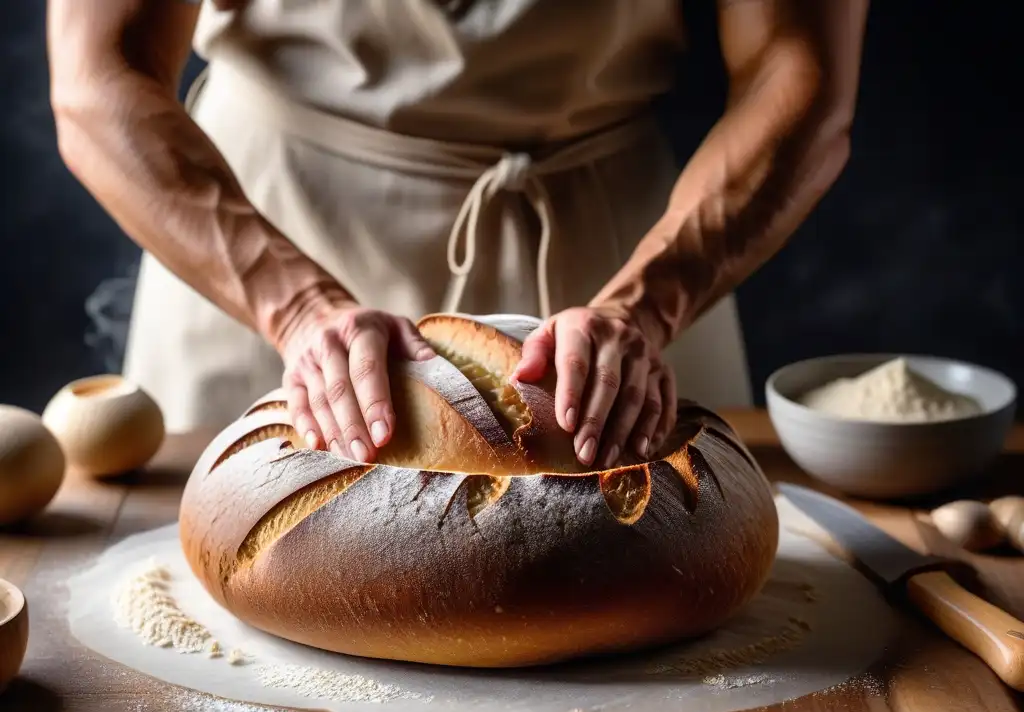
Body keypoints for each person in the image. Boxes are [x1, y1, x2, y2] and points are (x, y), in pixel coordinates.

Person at [48, 0, 867, 469]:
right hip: (264, 240)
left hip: (630, 265)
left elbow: (798, 73)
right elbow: (99, 75)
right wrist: (298, 309)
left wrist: (644, 307)